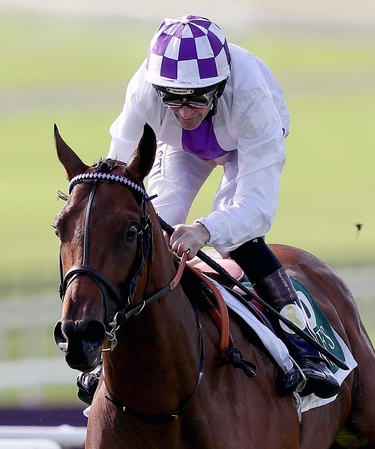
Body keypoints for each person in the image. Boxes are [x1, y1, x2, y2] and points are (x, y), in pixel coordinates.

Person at [77, 14, 340, 403]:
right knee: (156, 225)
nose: (185, 111)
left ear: (219, 86)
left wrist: (205, 231)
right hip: (181, 147)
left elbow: (256, 207)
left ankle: (301, 342)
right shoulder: (144, 91)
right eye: (174, 99)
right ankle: (110, 350)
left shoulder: (250, 97)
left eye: (198, 98)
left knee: (236, 236)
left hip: (245, 137)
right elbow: (120, 176)